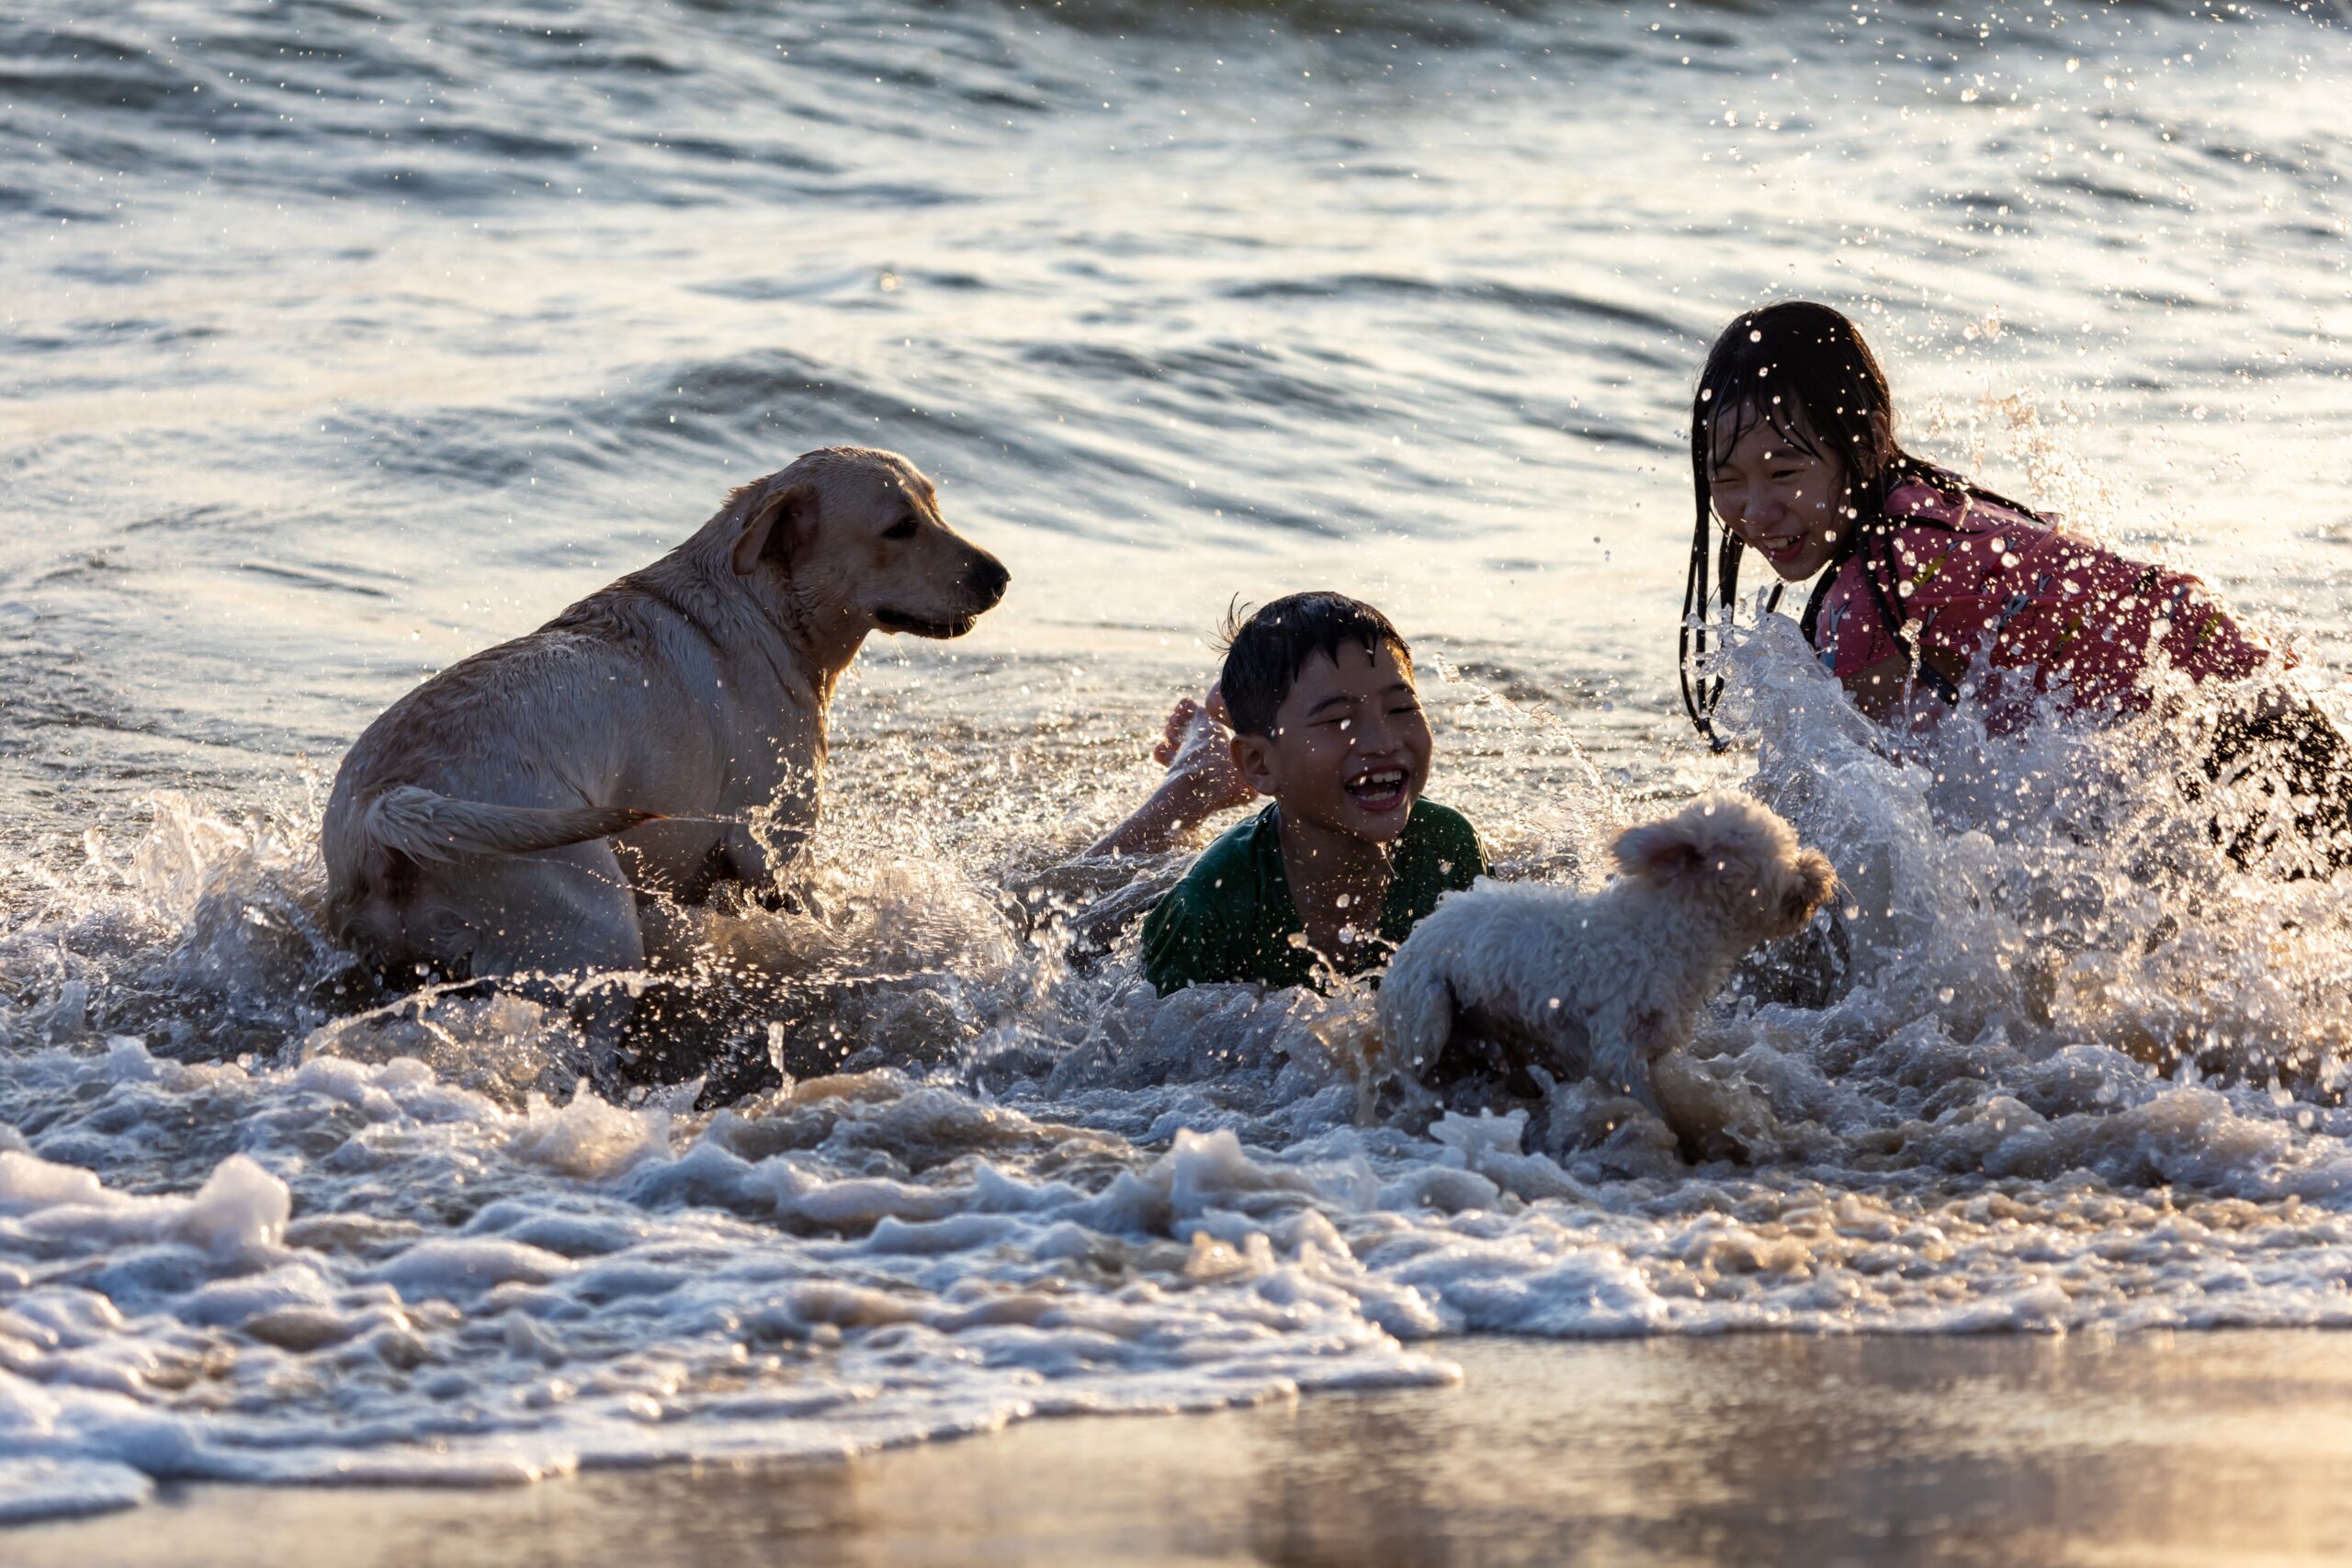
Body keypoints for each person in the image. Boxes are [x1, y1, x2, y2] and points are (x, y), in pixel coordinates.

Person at [1680, 299, 2352, 869]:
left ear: (1871, 438)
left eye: (1784, 472)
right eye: (1729, 480)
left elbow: (1870, 828)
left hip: (2234, 756)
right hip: (2265, 720)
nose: (1755, 511)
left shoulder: (1873, 594)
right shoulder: (1931, 513)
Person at [1110, 592, 1487, 996]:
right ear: (1259, 763)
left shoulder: (1448, 849)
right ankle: (1195, 779)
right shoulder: (1205, 910)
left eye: (1400, 709)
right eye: (1339, 719)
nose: (1383, 741)